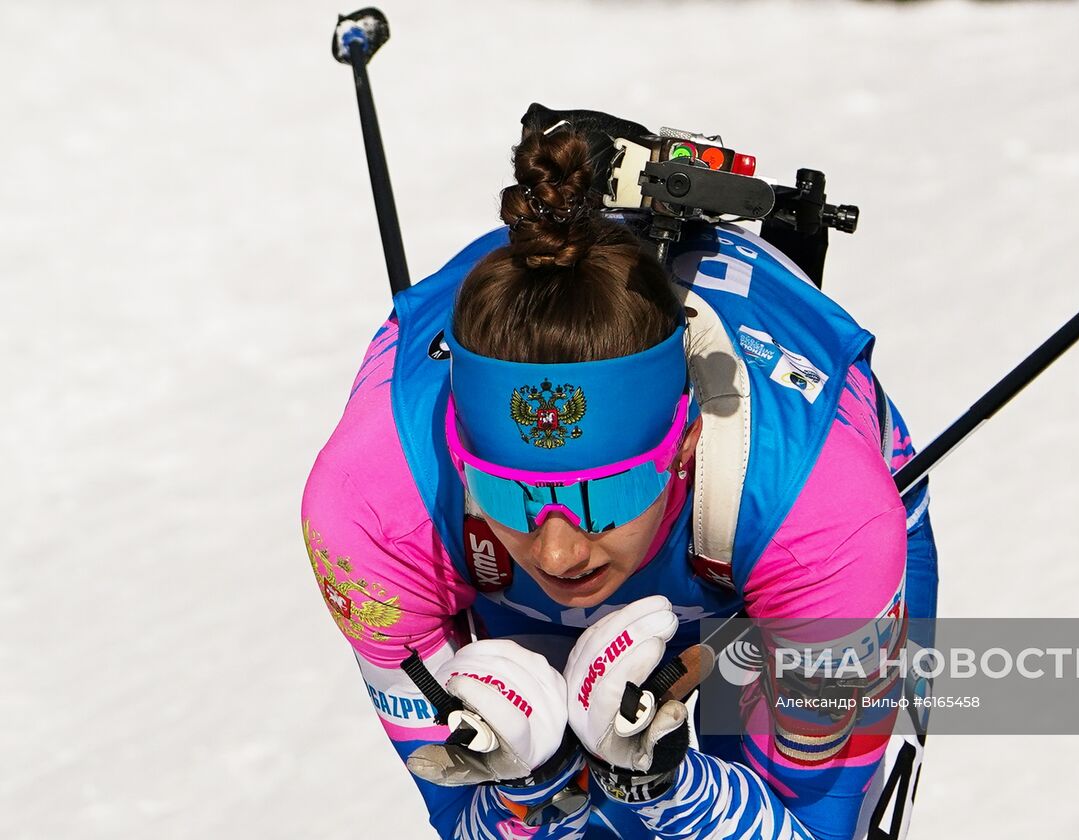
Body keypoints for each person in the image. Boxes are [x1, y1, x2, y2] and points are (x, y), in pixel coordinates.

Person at [302, 107, 938, 839]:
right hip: (511, 577)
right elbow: (459, 819)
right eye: (510, 492)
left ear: (687, 443)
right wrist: (529, 786)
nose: (559, 550)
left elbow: (814, 828)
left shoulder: (819, 507)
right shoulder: (372, 507)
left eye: (605, 494)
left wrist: (668, 786)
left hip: (764, 552)